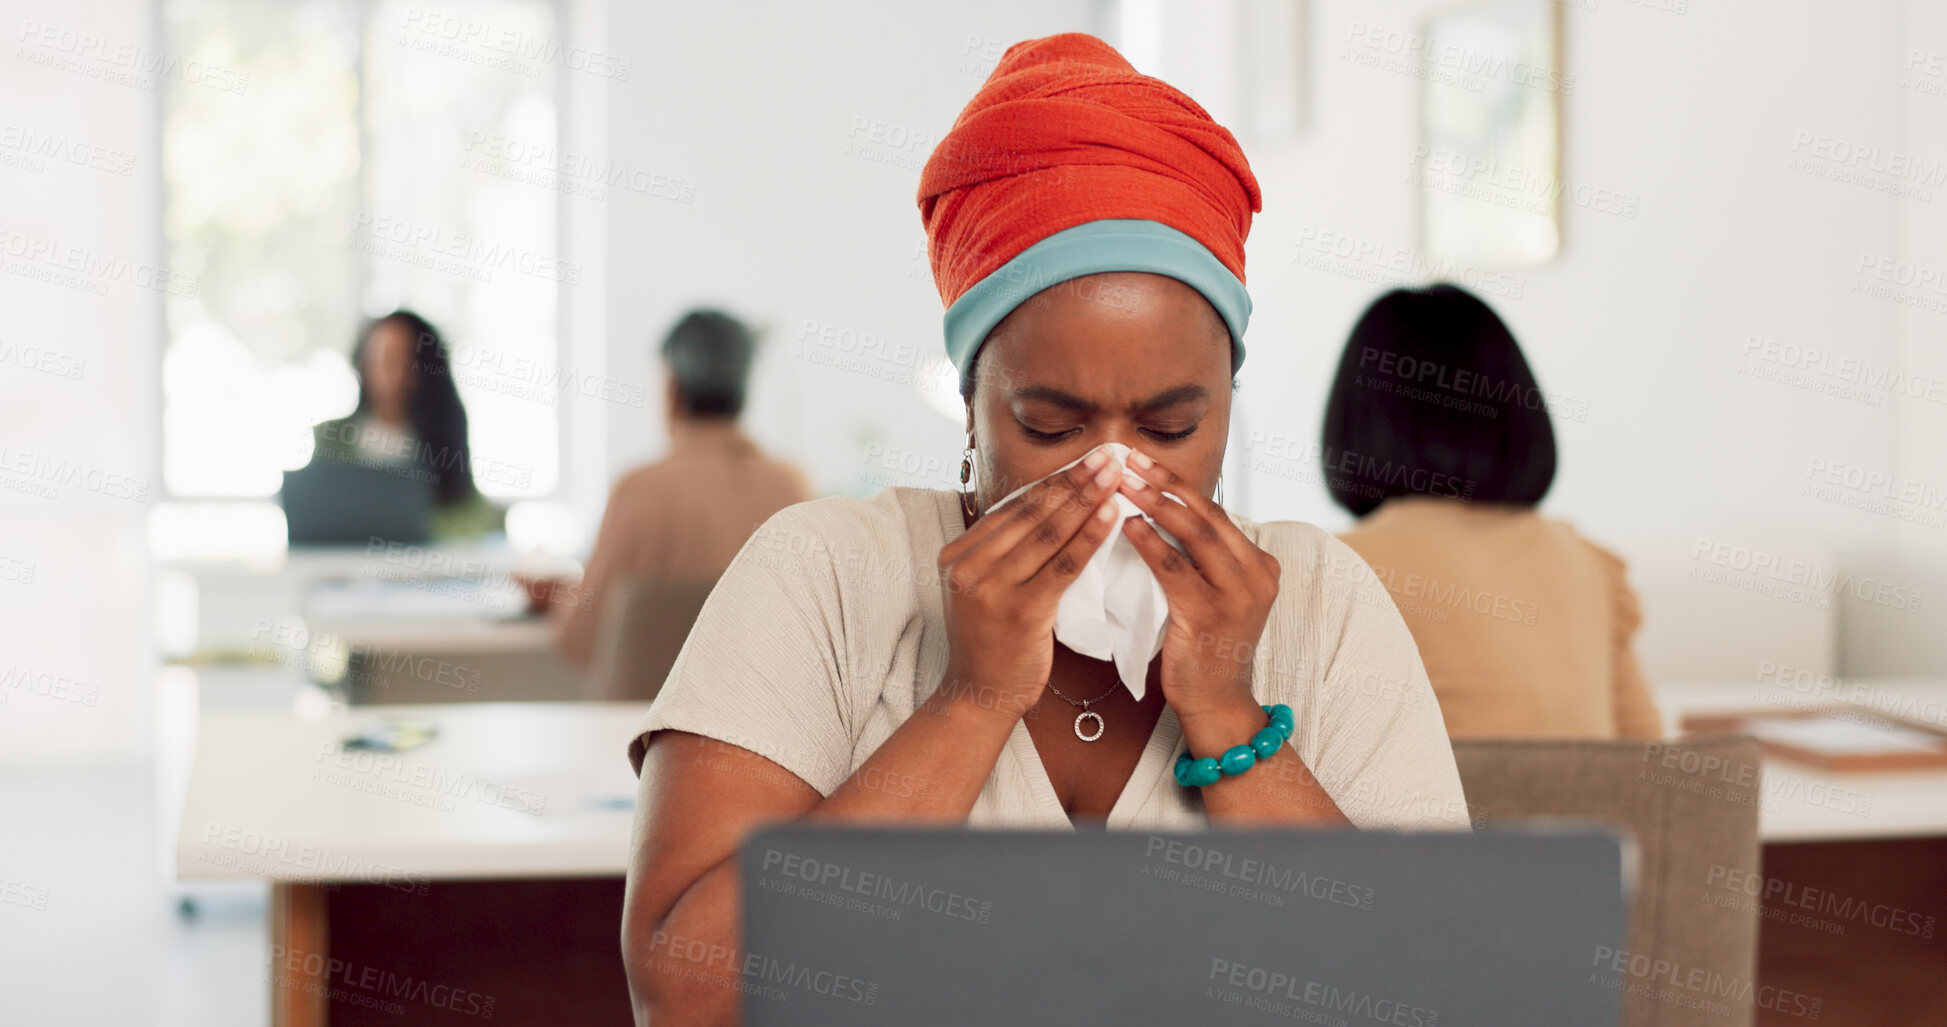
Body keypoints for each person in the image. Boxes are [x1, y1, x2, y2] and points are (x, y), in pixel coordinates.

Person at [620, 34, 1467, 1024]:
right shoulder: (824, 573)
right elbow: (688, 995)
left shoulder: (1322, 600)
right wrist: (972, 699)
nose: (1111, 473)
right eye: (1050, 425)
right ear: (970, 409)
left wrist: (1230, 715)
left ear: (1230, 408)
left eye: (1171, 426)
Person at [1327, 284, 1662, 741]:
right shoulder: (1589, 562)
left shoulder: (1338, 567)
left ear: (1358, 415)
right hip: (1588, 812)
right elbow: (1642, 755)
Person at [548, 309, 811, 669]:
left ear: (672, 389)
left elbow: (580, 641)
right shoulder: (791, 486)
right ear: (743, 389)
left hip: (644, 722)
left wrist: (562, 597)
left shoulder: (640, 488)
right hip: (762, 722)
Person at [310, 310, 502, 539]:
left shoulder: (443, 439)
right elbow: (316, 516)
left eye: (404, 361)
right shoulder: (332, 436)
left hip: (424, 570)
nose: (392, 374)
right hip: (347, 569)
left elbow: (473, 521)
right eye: (380, 359)